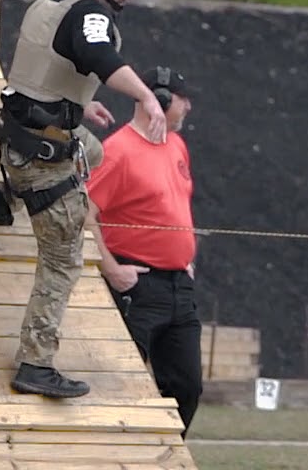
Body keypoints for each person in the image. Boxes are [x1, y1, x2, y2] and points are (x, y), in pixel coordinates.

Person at [0, 0, 167, 399]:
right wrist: (145, 97)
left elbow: (47, 67)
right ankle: (36, 363)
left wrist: (79, 107)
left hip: (15, 139)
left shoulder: (49, 3)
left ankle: (1, 199)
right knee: (63, 260)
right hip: (41, 158)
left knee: (93, 150)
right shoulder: (91, 13)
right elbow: (100, 54)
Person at [86, 66, 202, 436]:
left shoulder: (177, 145)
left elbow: (175, 206)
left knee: (186, 387)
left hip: (178, 287)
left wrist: (185, 255)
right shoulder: (118, 151)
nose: (187, 108)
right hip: (137, 285)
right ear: (161, 100)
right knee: (124, 386)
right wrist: (112, 270)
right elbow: (83, 213)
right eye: (182, 100)